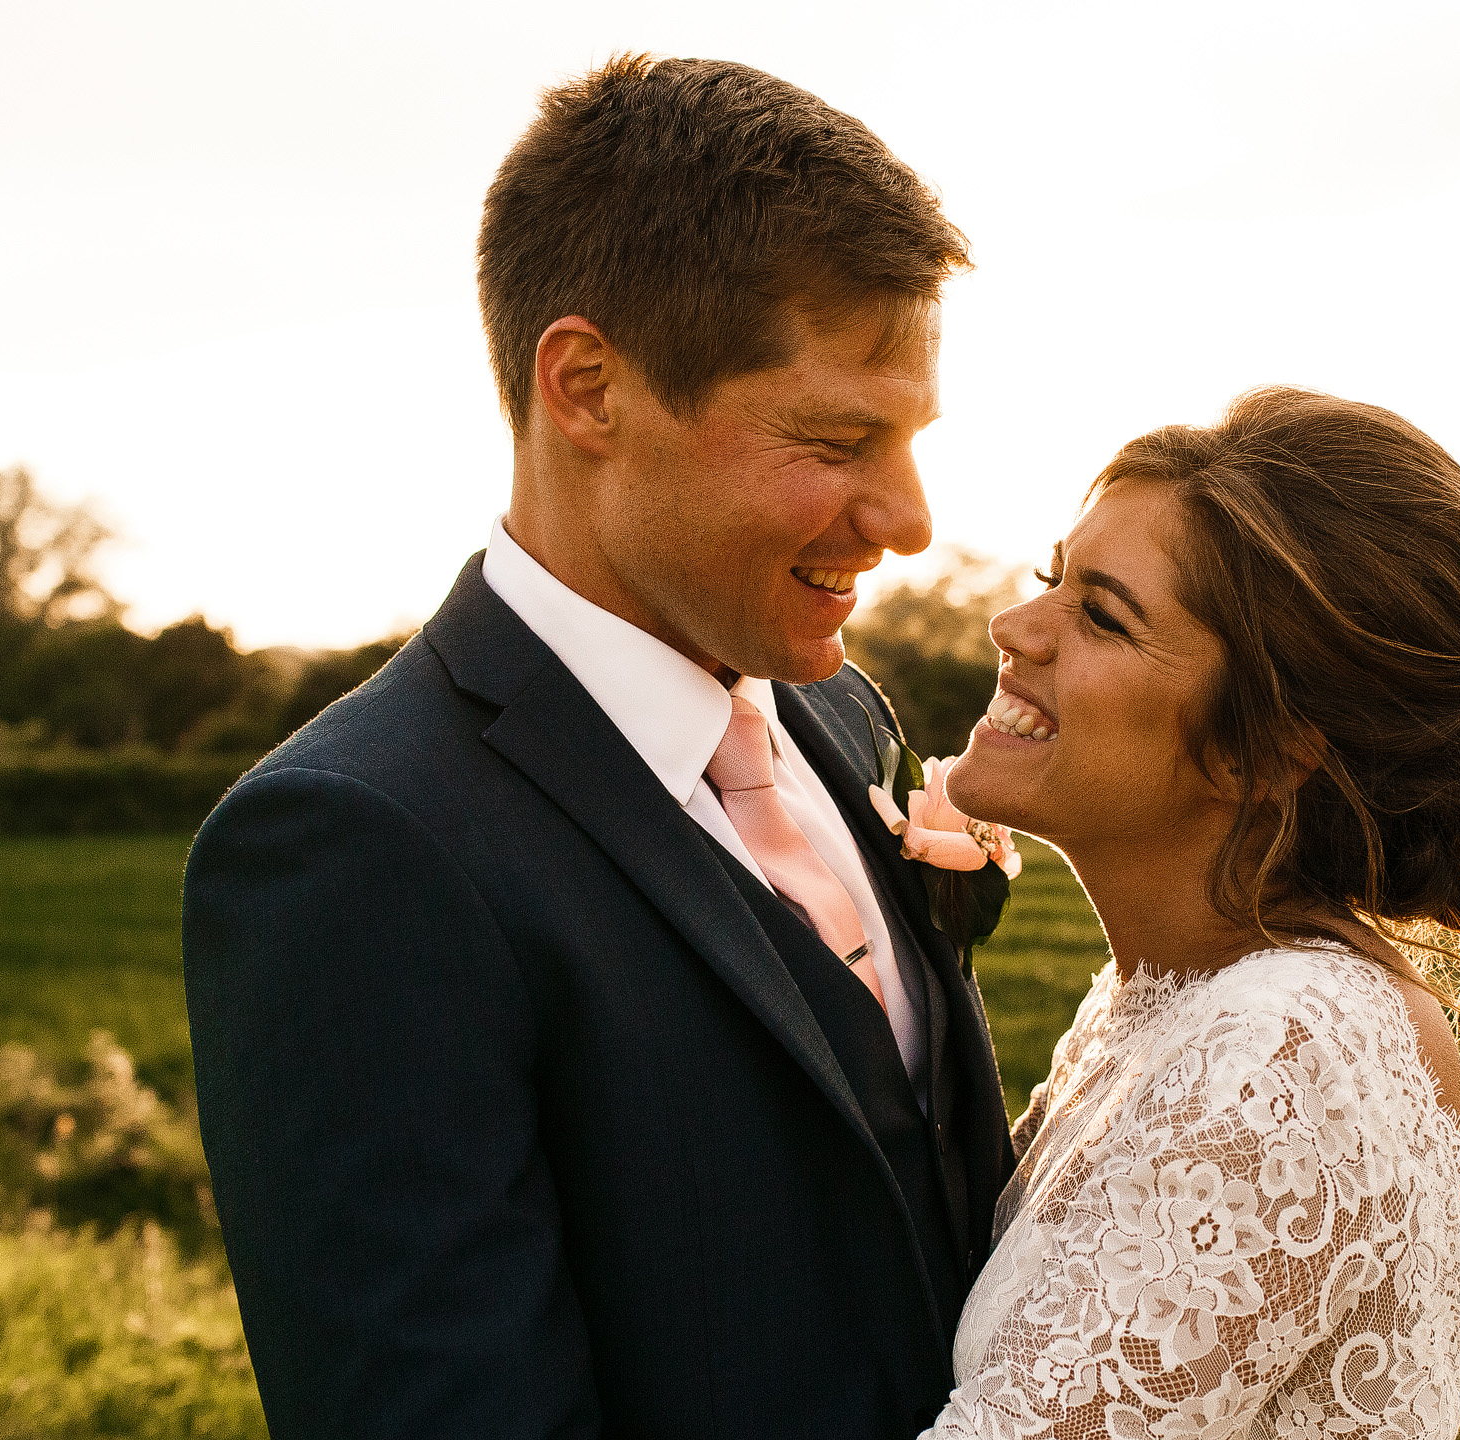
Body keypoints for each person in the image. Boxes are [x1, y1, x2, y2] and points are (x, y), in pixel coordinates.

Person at [183, 56, 1013, 1438]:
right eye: (837, 436)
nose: (910, 517)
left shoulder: (844, 714)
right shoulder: (352, 847)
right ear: (588, 387)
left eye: (911, 439)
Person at [920, 387, 1460, 1439]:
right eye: (1048, 580)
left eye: (1102, 615)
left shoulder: (1288, 1051)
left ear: (1270, 748)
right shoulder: (1165, 1001)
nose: (1014, 627)